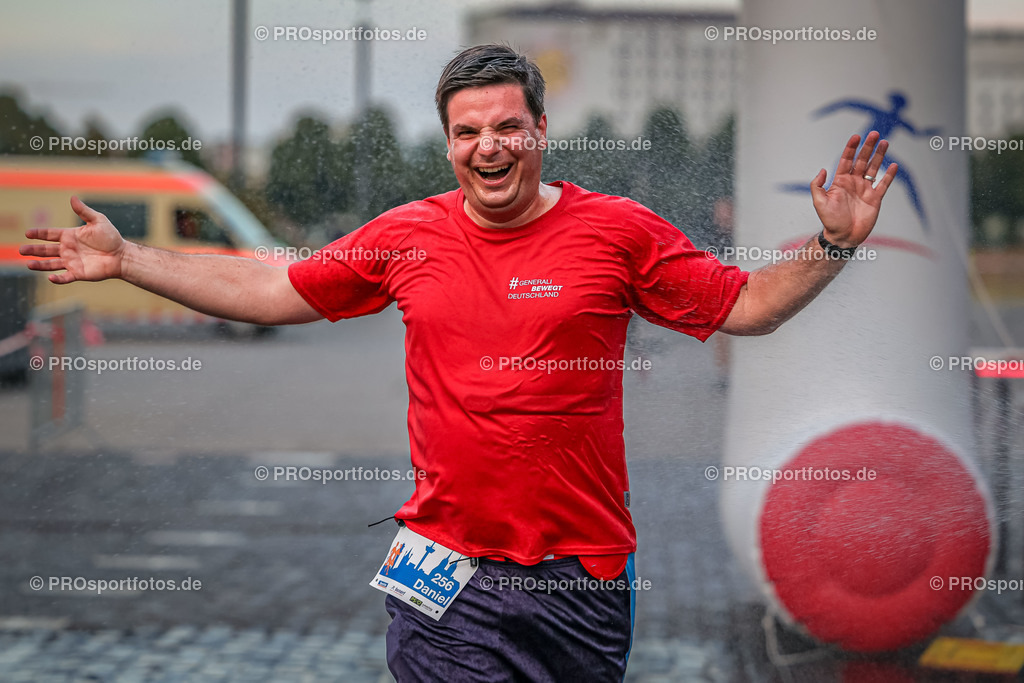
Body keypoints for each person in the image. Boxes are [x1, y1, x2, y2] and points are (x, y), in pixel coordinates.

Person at [21, 44, 897, 683]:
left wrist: (831, 244)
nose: (489, 146)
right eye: (468, 131)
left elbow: (744, 305)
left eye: (508, 126)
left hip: (581, 573)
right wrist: (130, 258)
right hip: (443, 570)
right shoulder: (407, 236)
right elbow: (273, 287)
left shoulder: (618, 231)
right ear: (448, 143)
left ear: (541, 130)